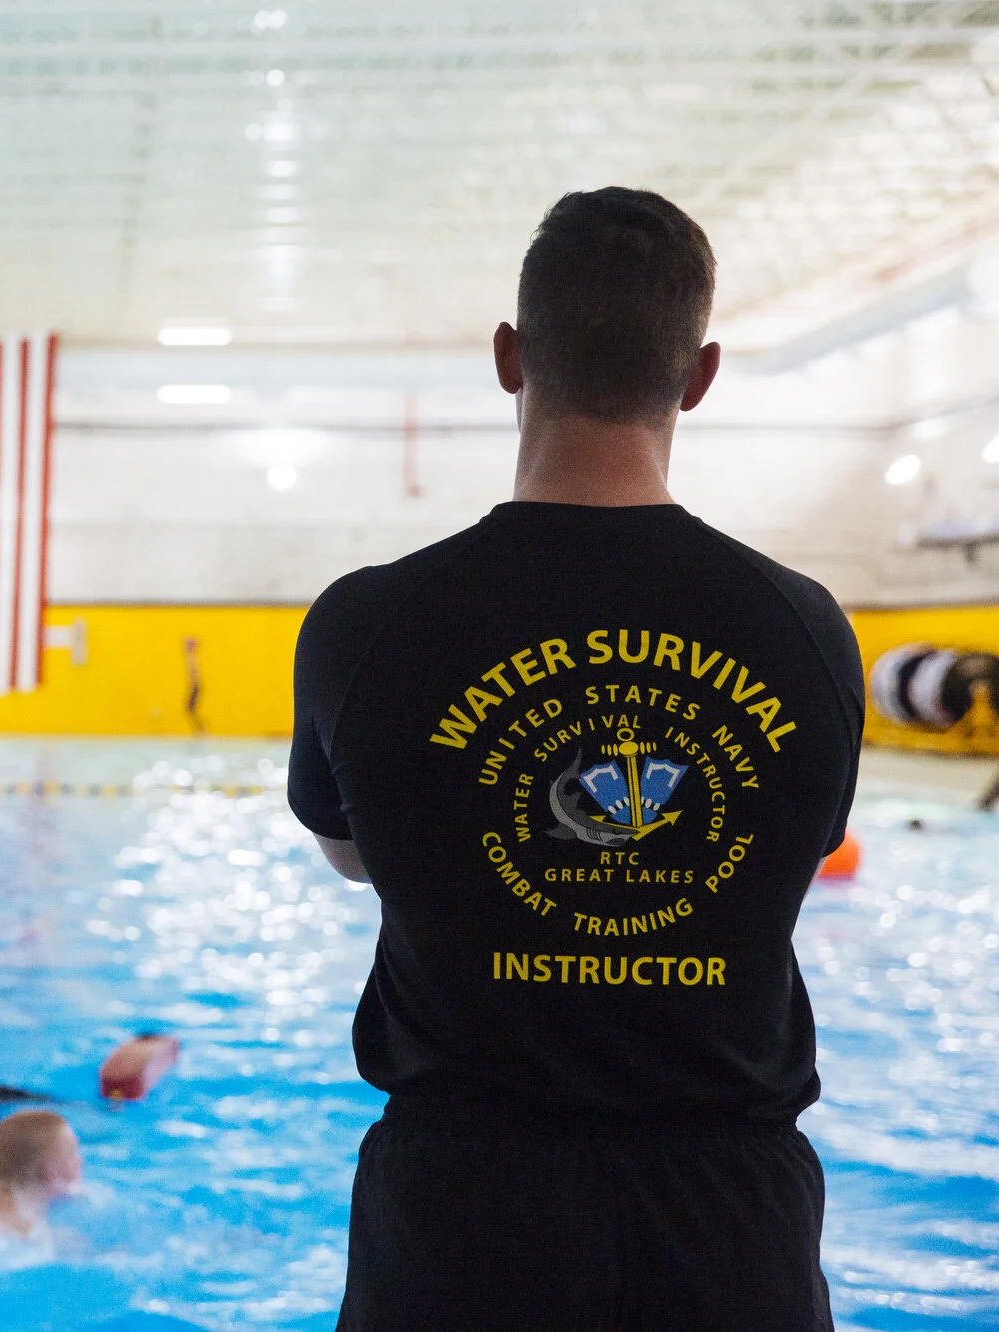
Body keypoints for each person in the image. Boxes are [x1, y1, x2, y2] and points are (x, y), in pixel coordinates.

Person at [289, 189, 861, 1332]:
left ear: (509, 357)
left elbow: (354, 860)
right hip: (727, 1214)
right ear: (696, 376)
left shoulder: (366, 623)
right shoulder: (802, 628)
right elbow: (779, 859)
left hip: (459, 1212)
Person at [183, 636, 205, 735]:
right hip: (194, 686)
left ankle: (201, 729)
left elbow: (194, 675)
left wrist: (193, 688)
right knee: (190, 710)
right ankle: (200, 730)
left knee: (190, 710)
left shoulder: (192, 659)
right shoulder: (191, 658)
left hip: (195, 686)